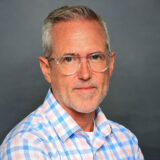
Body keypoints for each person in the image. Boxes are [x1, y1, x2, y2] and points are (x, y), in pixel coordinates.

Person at [0, 5, 144, 159]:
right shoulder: (25, 147)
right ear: (47, 69)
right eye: (69, 59)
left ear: (110, 64)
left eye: (95, 57)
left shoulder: (127, 142)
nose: (85, 74)